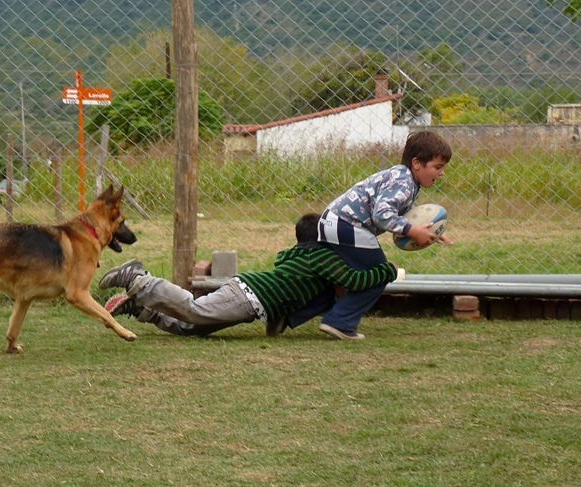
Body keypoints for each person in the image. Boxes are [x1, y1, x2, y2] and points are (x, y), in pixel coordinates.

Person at [98, 213, 396, 340]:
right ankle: (139, 278)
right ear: (323, 239)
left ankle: (142, 308)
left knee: (193, 328)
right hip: (248, 295)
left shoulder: (301, 256)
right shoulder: (322, 257)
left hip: (250, 300)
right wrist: (387, 270)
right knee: (195, 309)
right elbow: (355, 282)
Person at [302, 130, 453, 340]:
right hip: (347, 226)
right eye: (438, 167)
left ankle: (291, 312)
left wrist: (430, 231)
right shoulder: (404, 181)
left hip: (334, 222)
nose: (441, 173)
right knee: (380, 273)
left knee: (335, 276)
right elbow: (382, 214)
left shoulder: (406, 179)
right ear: (417, 163)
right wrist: (412, 231)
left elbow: (408, 213)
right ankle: (339, 323)